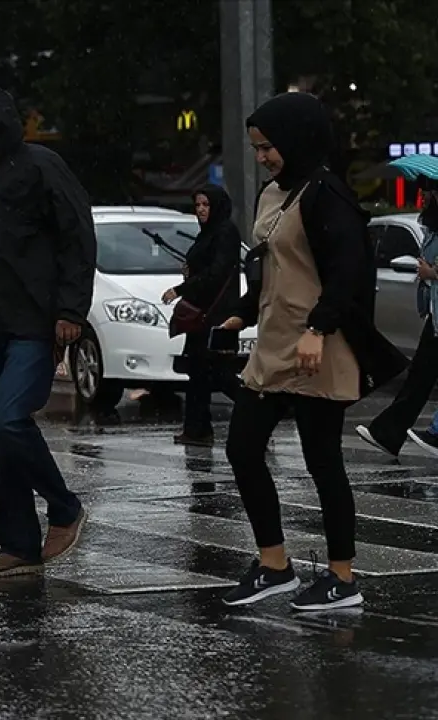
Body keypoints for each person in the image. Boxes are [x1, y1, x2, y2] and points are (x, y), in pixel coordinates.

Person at [218, 92, 376, 611]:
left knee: (322, 461)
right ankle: (274, 565)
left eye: (268, 147)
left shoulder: (327, 194)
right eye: (256, 148)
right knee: (242, 449)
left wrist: (319, 328)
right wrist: (243, 311)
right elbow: (269, 265)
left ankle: (342, 578)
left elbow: (348, 272)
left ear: (296, 139)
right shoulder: (272, 194)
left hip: (317, 347)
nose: (262, 157)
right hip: (274, 344)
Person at [0, 80, 94, 578]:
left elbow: (77, 237)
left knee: (9, 420)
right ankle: (19, 545)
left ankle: (65, 508)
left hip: (33, 323)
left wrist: (71, 311)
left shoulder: (42, 167)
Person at [356, 189, 438, 457]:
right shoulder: (431, 227)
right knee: (420, 376)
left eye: (430, 192)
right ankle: (388, 433)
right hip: (435, 313)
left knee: (420, 376)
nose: (424, 197)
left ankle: (399, 432)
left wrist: (431, 272)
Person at [161, 185, 241, 446]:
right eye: (197, 205)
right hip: (202, 315)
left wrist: (181, 289)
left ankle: (259, 412)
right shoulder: (208, 233)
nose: (201, 210)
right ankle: (197, 430)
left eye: (206, 205)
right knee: (199, 373)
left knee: (219, 373)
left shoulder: (225, 232)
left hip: (217, 316)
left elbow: (216, 274)